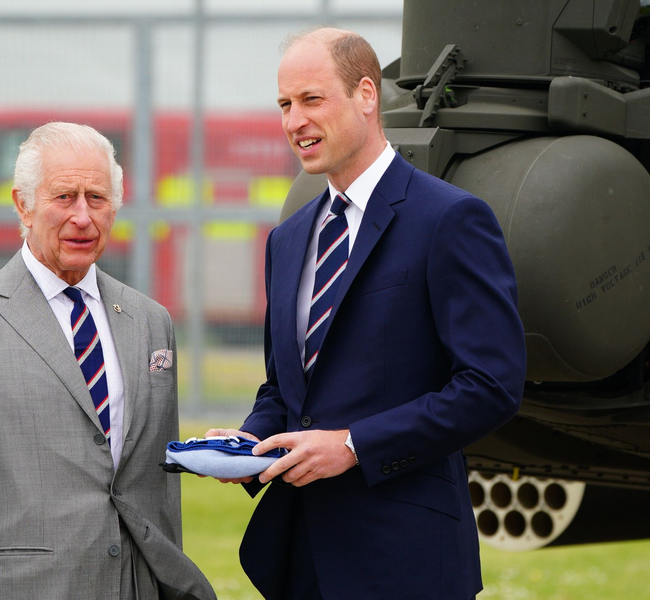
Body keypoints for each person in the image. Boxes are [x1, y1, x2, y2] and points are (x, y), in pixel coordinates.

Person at [206, 28, 527, 599]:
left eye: (311, 100)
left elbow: (490, 385)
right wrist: (246, 444)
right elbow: (284, 390)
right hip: (298, 557)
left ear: (367, 95)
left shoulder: (451, 219)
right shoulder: (287, 239)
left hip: (406, 559)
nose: (293, 121)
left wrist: (354, 445)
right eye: (284, 104)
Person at [0, 122, 216, 600]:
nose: (83, 216)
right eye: (65, 197)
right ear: (24, 204)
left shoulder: (150, 321)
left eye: (97, 198)